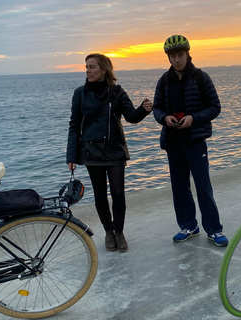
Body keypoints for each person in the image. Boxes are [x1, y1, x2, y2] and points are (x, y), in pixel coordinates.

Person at [66, 53, 153, 252]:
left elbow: (131, 117)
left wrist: (144, 109)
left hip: (115, 150)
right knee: (100, 195)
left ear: (104, 69)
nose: (87, 70)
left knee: (118, 193)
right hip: (91, 152)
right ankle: (108, 231)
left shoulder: (118, 92)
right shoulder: (80, 93)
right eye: (86, 66)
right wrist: (71, 156)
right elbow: (74, 126)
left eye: (92, 67)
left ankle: (119, 232)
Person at [153, 35, 228, 247]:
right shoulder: (164, 81)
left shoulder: (201, 78)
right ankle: (189, 226)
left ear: (187, 54)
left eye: (180, 54)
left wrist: (193, 118)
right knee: (179, 187)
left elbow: (215, 107)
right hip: (173, 141)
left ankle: (214, 229)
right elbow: (157, 108)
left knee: (203, 186)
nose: (177, 59)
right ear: (168, 58)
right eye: (173, 56)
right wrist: (164, 118)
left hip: (195, 141)